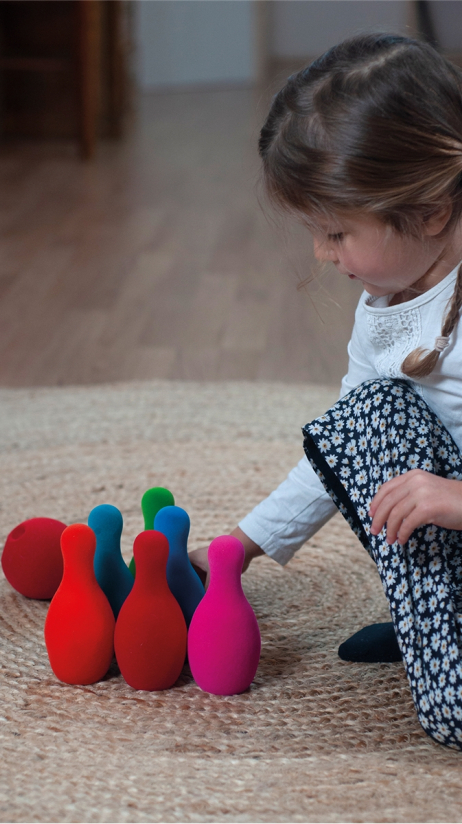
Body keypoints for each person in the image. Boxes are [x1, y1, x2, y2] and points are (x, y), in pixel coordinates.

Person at [188, 33, 462, 749]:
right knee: (364, 415)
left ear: (430, 210)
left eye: (336, 230)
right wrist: (241, 545)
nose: (320, 251)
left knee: (449, 721)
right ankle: (437, 620)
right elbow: (343, 443)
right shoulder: (386, 302)